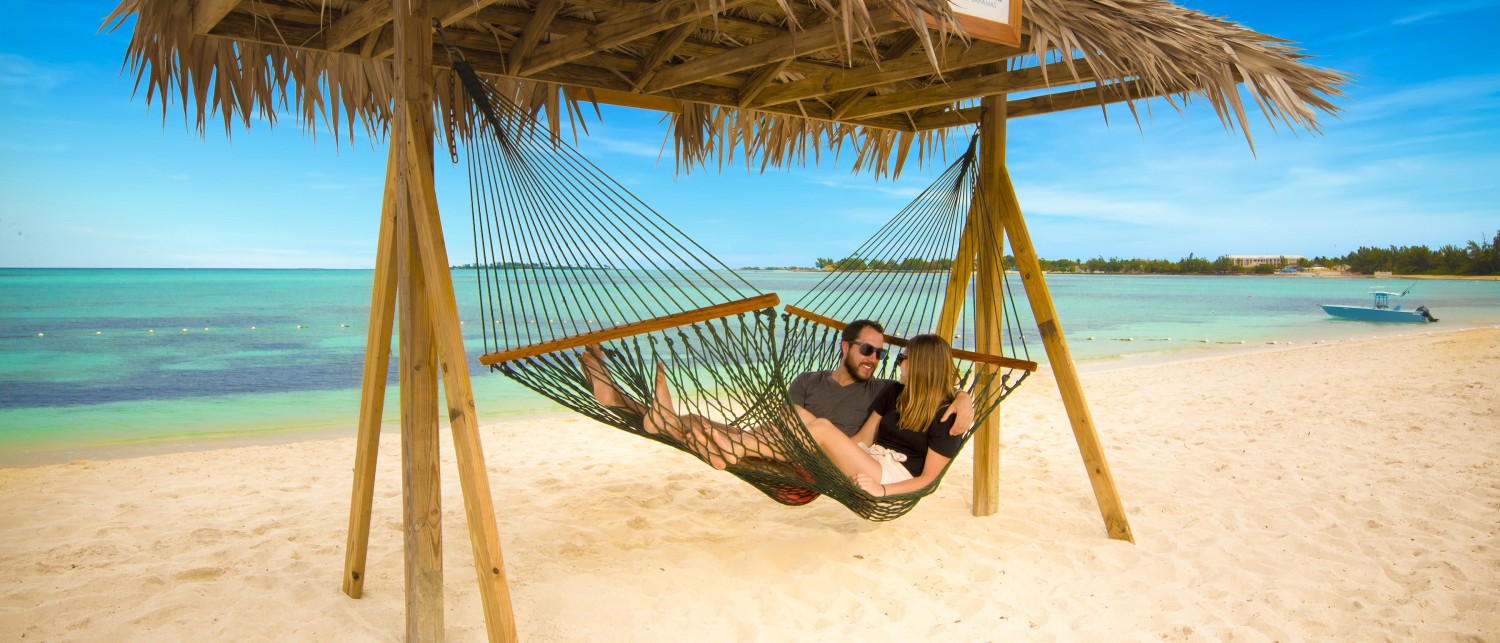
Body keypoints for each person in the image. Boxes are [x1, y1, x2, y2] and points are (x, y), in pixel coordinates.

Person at [640, 334, 968, 498]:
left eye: (903, 358)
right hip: (869, 457)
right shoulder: (893, 393)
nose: (897, 363)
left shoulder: (949, 419)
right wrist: (820, 450)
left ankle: (735, 446)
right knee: (802, 417)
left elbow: (928, 481)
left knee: (821, 427)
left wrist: (882, 492)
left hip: (893, 477)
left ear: (923, 364)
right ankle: (684, 425)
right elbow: (862, 441)